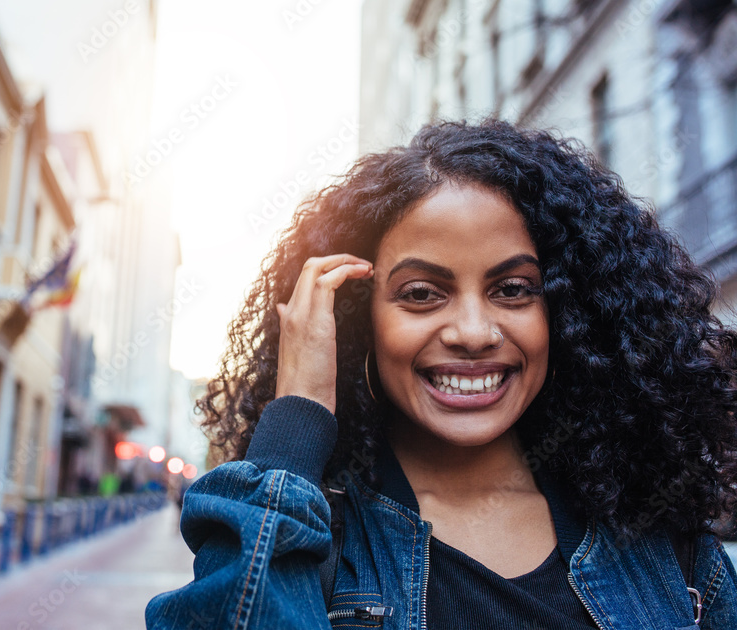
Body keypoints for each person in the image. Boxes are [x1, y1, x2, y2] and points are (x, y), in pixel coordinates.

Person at [145, 119, 737, 629]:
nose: (474, 332)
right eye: (422, 293)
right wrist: (298, 418)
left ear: (568, 312)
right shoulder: (317, 539)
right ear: (357, 321)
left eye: (513, 289)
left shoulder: (662, 539)